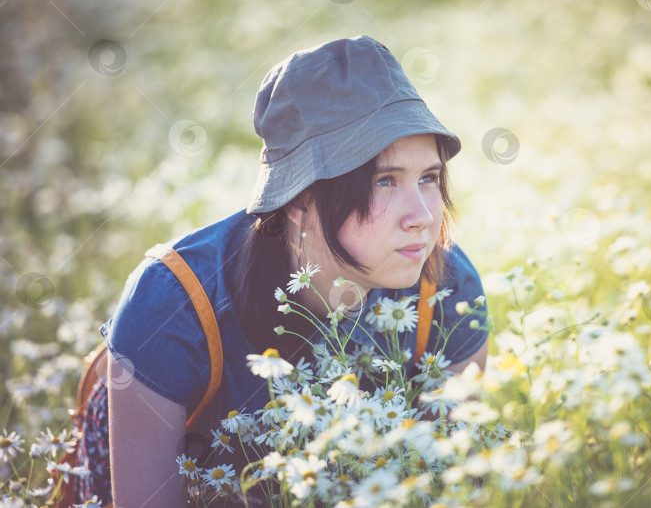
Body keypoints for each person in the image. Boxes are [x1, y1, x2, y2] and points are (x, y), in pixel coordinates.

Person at [74, 35, 489, 507]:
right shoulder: (173, 304)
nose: (422, 215)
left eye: (429, 178)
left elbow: (451, 486)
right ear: (298, 200)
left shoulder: (447, 288)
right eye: (384, 182)